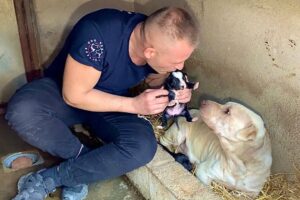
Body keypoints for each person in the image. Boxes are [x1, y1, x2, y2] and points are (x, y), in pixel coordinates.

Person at [6, 6, 199, 200]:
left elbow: (155, 79)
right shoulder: (96, 34)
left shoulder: (155, 38)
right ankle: (82, 163)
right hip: (65, 92)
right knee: (22, 111)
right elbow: (73, 96)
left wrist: (176, 92)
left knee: (142, 147)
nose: (180, 66)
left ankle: (55, 177)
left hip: (113, 101)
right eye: (177, 61)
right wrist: (134, 105)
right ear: (149, 52)